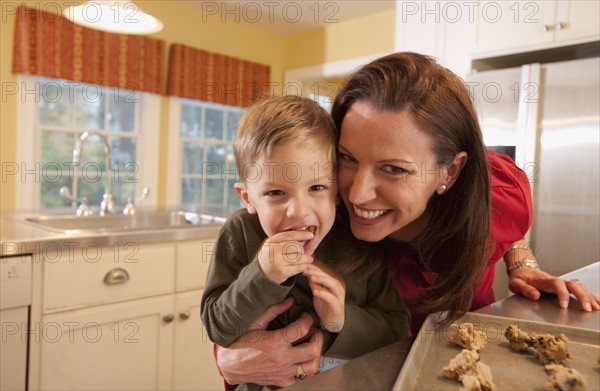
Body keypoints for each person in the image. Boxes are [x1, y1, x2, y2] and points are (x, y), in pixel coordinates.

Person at [214, 52, 600, 387]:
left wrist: (521, 259)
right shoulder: (325, 223)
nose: (356, 194)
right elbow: (256, 302)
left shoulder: (501, 193)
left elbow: (505, 224)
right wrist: (227, 356)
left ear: (449, 173)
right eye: (347, 158)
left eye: (394, 169)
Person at [200, 95, 410, 391]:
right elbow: (218, 326)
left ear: (336, 191)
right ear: (247, 197)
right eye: (275, 193)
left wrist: (341, 321)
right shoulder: (239, 234)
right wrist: (262, 276)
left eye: (316, 188)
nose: (298, 211)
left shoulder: (357, 237)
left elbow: (397, 328)